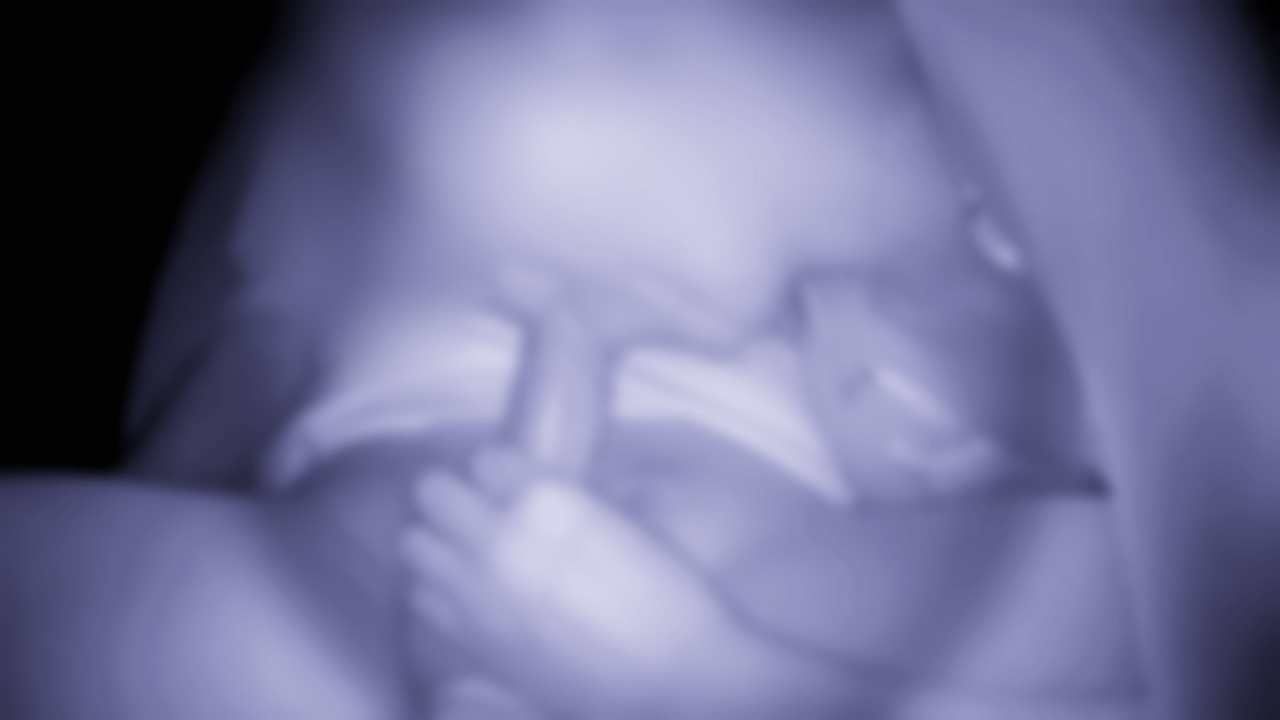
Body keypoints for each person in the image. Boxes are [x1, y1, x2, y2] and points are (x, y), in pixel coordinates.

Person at [1, 1, 1274, 719]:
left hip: (753, 561)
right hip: (371, 549)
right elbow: (240, 350)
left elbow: (1117, 547)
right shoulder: (359, 82)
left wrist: (700, 672)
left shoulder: (890, 108)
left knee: (1124, 601)